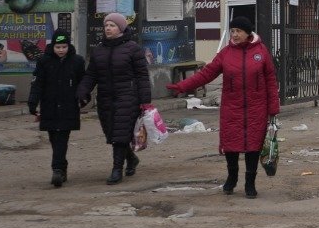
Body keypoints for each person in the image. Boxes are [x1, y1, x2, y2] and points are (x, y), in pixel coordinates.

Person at [167, 16, 280, 198]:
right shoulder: (226, 53)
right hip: (232, 108)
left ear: (247, 33)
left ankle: (250, 183)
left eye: (238, 31)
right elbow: (207, 74)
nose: (234, 35)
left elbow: (270, 81)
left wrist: (273, 108)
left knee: (253, 146)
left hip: (256, 107)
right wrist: (183, 86)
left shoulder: (261, 51)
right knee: (231, 145)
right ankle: (232, 177)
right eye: (232, 31)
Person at [77, 12, 152, 185]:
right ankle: (131, 159)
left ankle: (116, 169)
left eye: (112, 25)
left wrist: (145, 100)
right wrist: (82, 91)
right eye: (106, 26)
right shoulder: (98, 50)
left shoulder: (133, 48)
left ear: (121, 28)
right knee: (112, 133)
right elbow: (91, 75)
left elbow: (142, 76)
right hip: (105, 99)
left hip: (128, 97)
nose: (108, 29)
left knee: (120, 134)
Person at [26, 32, 85, 187]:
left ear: (68, 46)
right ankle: (62, 166)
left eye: (64, 46)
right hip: (49, 106)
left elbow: (82, 82)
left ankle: (57, 170)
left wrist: (84, 98)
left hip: (69, 107)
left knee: (62, 138)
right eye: (58, 47)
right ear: (52, 46)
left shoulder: (77, 61)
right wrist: (32, 103)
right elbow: (37, 83)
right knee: (54, 139)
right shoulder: (44, 61)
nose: (61, 50)